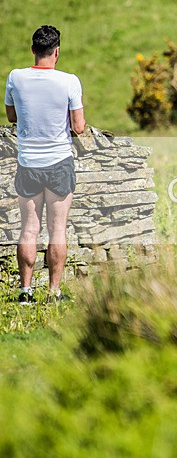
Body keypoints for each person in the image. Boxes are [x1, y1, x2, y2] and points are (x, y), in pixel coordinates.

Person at [4, 25, 86, 304]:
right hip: (59, 163)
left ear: (33, 50)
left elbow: (12, 116)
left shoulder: (15, 77)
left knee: (29, 229)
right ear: (57, 52)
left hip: (28, 163)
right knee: (57, 229)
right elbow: (79, 126)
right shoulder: (69, 81)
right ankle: (53, 292)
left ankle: (25, 292)